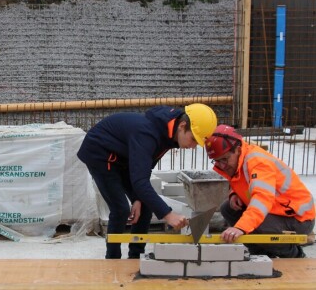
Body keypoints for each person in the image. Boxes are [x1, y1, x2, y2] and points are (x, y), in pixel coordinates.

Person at [77, 104, 218, 259]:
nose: (193, 146)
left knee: (144, 207)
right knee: (121, 209)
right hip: (100, 154)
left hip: (123, 157)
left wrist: (138, 198)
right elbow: (140, 182)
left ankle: (136, 257)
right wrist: (168, 214)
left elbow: (146, 167)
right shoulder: (148, 134)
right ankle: (113, 258)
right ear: (182, 126)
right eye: (193, 139)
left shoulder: (168, 134)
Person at [205, 124, 315, 258]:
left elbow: (262, 199)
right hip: (276, 210)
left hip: (298, 219)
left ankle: (294, 255)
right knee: (228, 209)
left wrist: (240, 228)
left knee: (258, 225)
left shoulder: (258, 162)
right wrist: (234, 193)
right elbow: (238, 180)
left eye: (224, 159)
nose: (221, 165)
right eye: (217, 161)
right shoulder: (237, 160)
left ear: (238, 150)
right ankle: (260, 253)